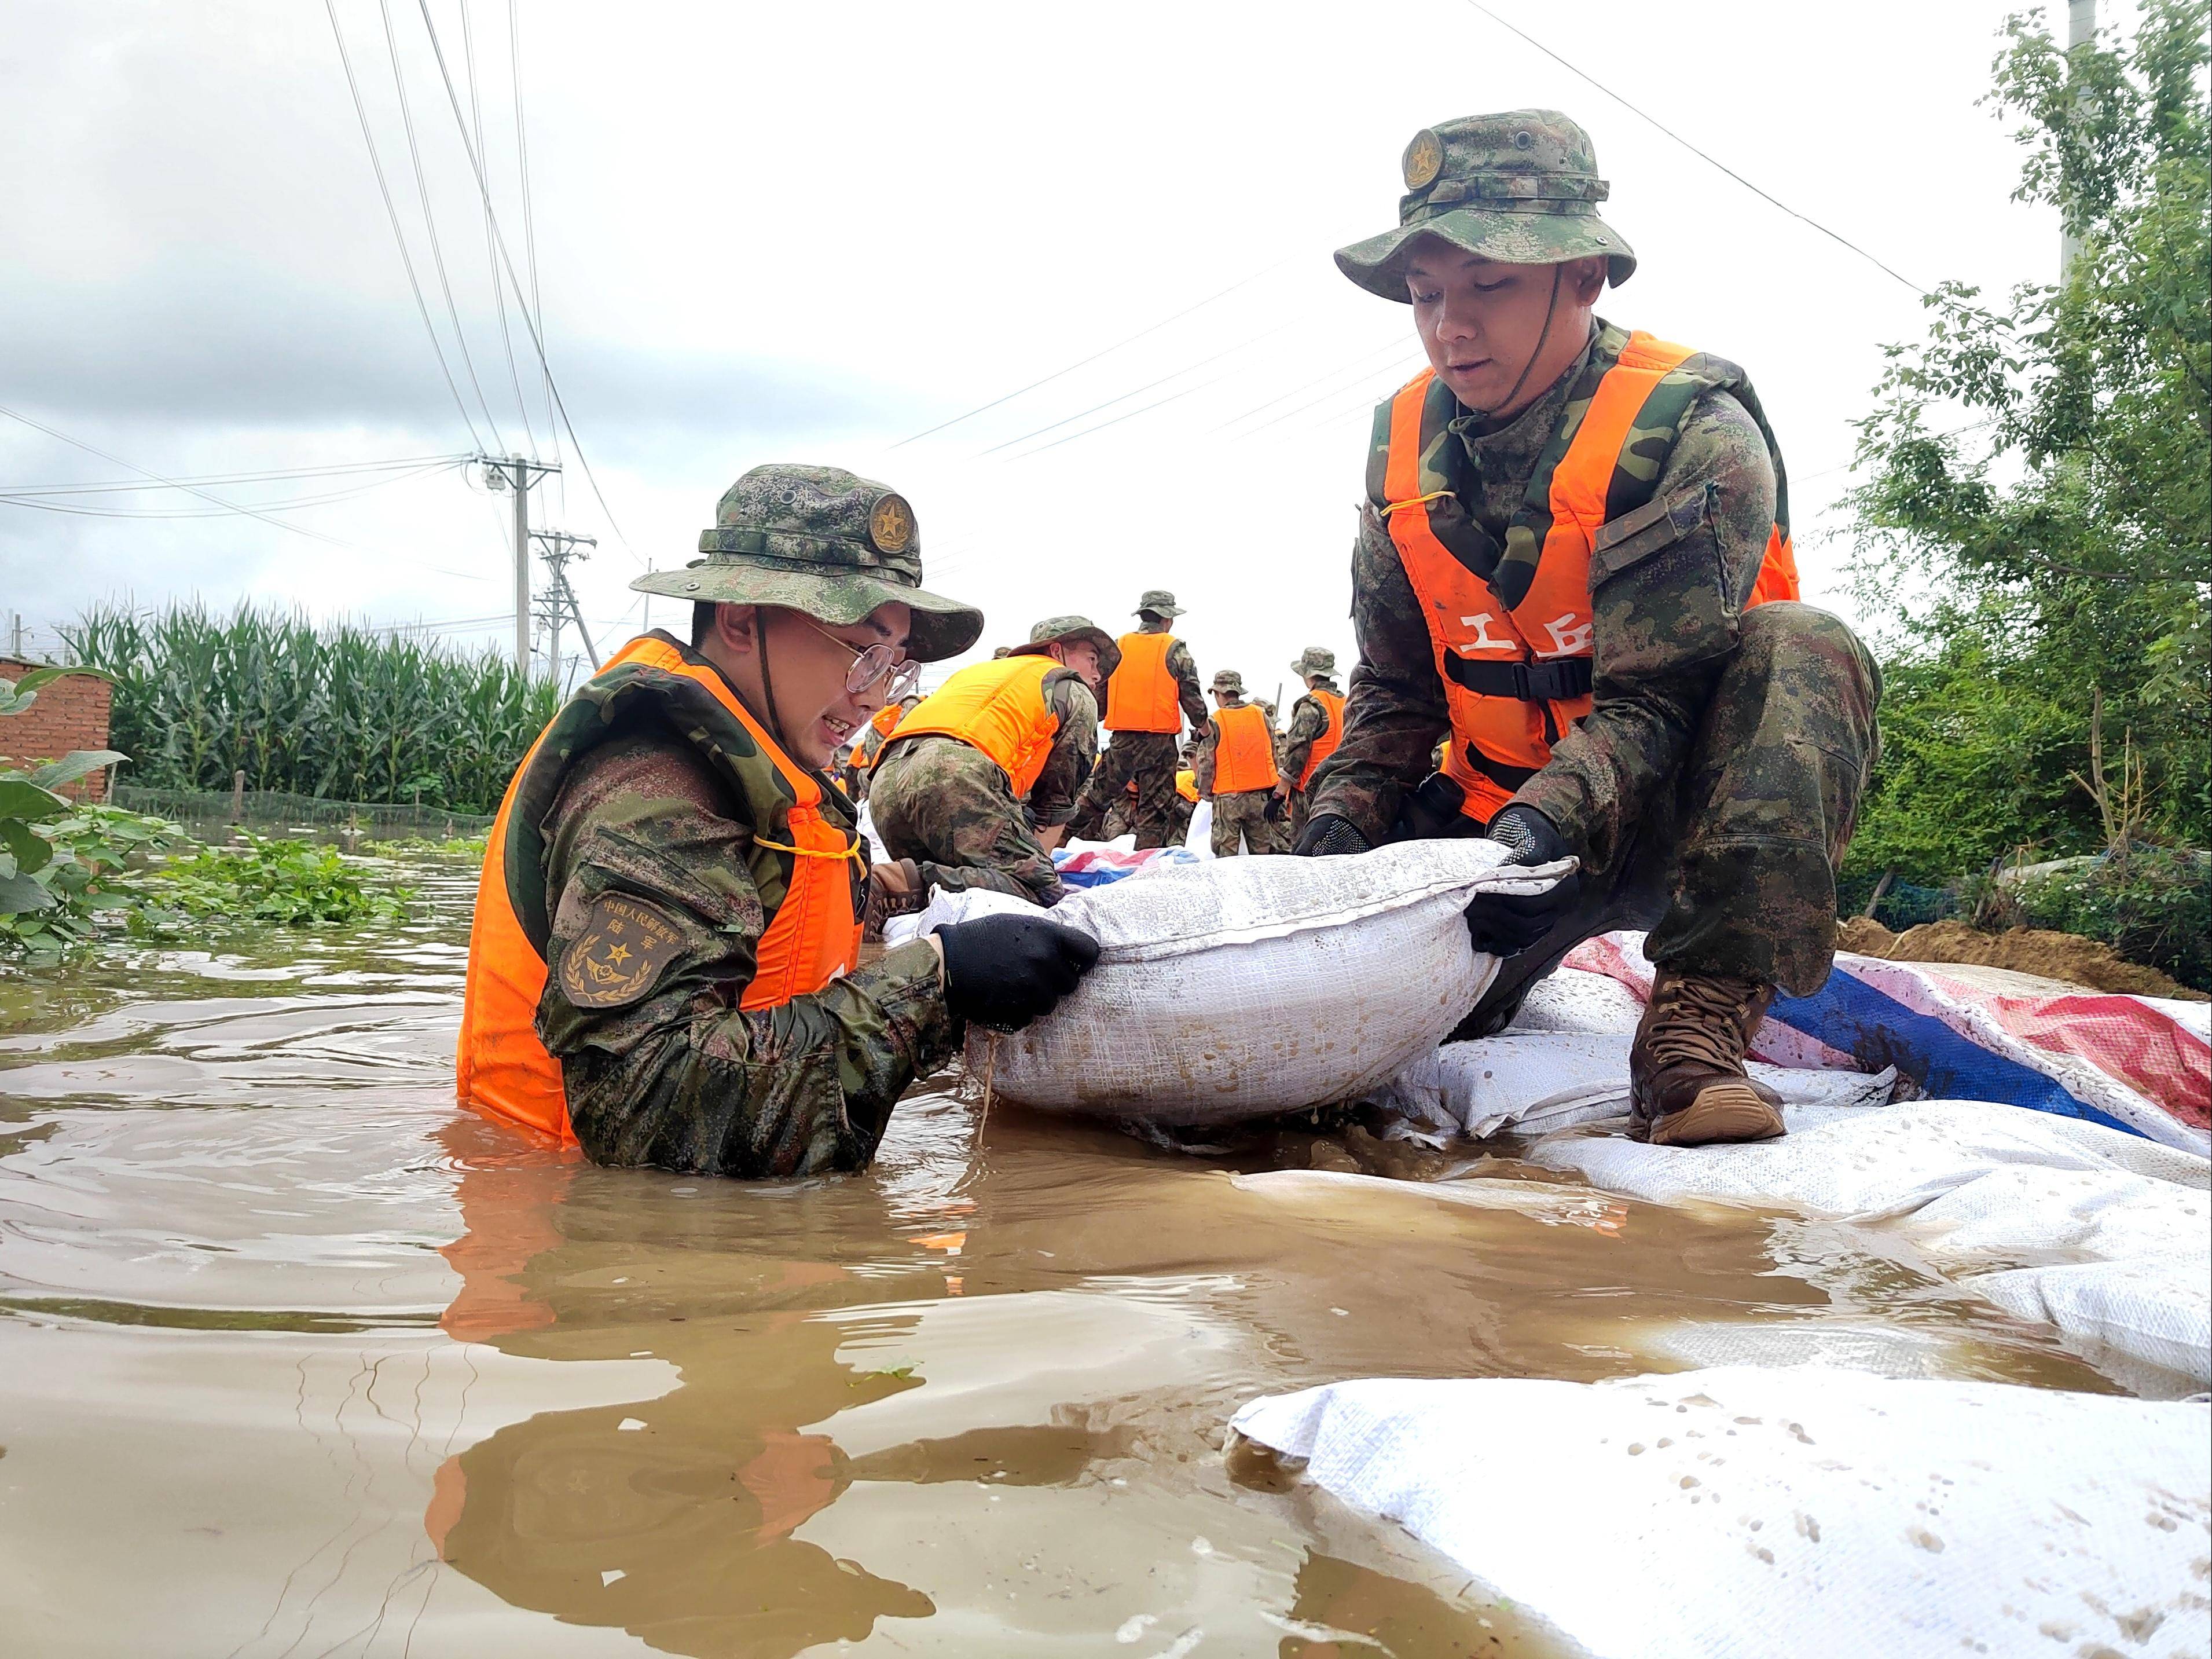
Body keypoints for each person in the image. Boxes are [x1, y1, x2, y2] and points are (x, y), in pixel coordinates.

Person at [1298, 111, 1879, 1148]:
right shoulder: (1399, 447)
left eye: (1490, 286)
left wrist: (1545, 835)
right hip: (1499, 826)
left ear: (1584, 277)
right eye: (1428, 295)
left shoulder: (1692, 429)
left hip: (1671, 818)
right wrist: (1338, 833)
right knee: (1351, 1051)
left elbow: (1658, 699)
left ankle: (1691, 1040)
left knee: (1803, 642)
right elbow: (1393, 693)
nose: (1450, 328)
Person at [454, 464, 1101, 1178]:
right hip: (568, 1218)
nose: (872, 699)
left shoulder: (769, 777)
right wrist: (938, 984)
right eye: (865, 656)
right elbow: (646, 1108)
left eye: (894, 667)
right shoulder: (656, 794)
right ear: (740, 619)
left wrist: (941, 915)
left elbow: (799, 905)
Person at [867, 616, 1118, 907]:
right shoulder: (1071, 689)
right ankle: (888, 882)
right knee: (1038, 889)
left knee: (951, 882)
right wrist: (1038, 868)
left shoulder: (979, 674)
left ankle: (889, 890)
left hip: (884, 786)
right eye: (1092, 659)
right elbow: (1055, 803)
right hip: (954, 772)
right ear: (1056, 651)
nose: (1098, 674)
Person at [1066, 589, 1208, 848]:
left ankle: (1056, 841)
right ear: (1167, 620)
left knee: (1097, 798)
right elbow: (1191, 695)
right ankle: (1146, 867)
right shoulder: (1175, 649)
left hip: (1123, 741)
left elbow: (1101, 695)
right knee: (1155, 811)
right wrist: (1204, 727)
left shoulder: (1118, 648)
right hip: (1160, 744)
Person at [1194, 669, 1283, 856]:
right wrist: (1273, 790)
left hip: (1228, 799)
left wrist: (1205, 793)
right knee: (1263, 856)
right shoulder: (1261, 715)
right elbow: (1273, 754)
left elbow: (1206, 762)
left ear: (1218, 693)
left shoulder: (1215, 721)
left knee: (1227, 858)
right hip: (1259, 797)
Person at [1276, 647, 1347, 843]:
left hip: (1310, 793)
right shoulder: (1347, 703)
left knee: (1304, 850)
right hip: (1340, 787)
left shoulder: (1310, 706)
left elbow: (1297, 754)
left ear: (1308, 675)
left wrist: (1279, 794)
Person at [842, 693, 919, 804]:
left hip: (863, 770)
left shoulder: (866, 743)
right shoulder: (913, 704)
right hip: (862, 769)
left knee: (864, 800)